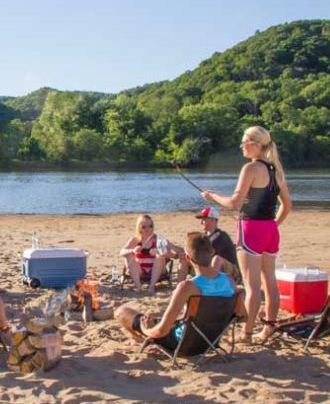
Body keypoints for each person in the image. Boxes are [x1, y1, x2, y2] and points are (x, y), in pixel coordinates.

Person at [201, 125, 293, 342]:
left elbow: (234, 203)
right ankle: (269, 327)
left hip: (252, 230)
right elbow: (287, 204)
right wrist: (273, 225)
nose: (241, 145)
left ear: (256, 144)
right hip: (269, 229)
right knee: (270, 282)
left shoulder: (251, 168)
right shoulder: (275, 169)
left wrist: (213, 196)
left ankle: (248, 333)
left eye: (245, 142)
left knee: (252, 285)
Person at [115, 232, 236, 349]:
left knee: (121, 312)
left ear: (188, 258)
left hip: (183, 344)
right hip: (211, 341)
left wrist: (147, 329)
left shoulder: (187, 287)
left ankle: (146, 338)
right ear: (212, 252)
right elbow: (242, 316)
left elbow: (162, 330)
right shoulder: (229, 281)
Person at [175, 207, 240, 282]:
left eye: (204, 219)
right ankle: (180, 286)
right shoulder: (204, 236)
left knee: (216, 259)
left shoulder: (221, 236)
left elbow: (207, 254)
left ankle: (211, 284)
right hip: (209, 267)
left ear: (212, 220)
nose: (201, 222)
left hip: (229, 270)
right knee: (184, 259)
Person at [119, 214, 170, 293]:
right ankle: (138, 286)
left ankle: (152, 286)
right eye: (144, 227)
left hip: (157, 269)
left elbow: (168, 253)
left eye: (150, 226)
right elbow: (121, 252)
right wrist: (132, 250)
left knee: (159, 256)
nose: (147, 229)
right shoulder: (135, 240)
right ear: (139, 227)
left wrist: (158, 251)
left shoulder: (157, 239)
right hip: (140, 271)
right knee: (128, 255)